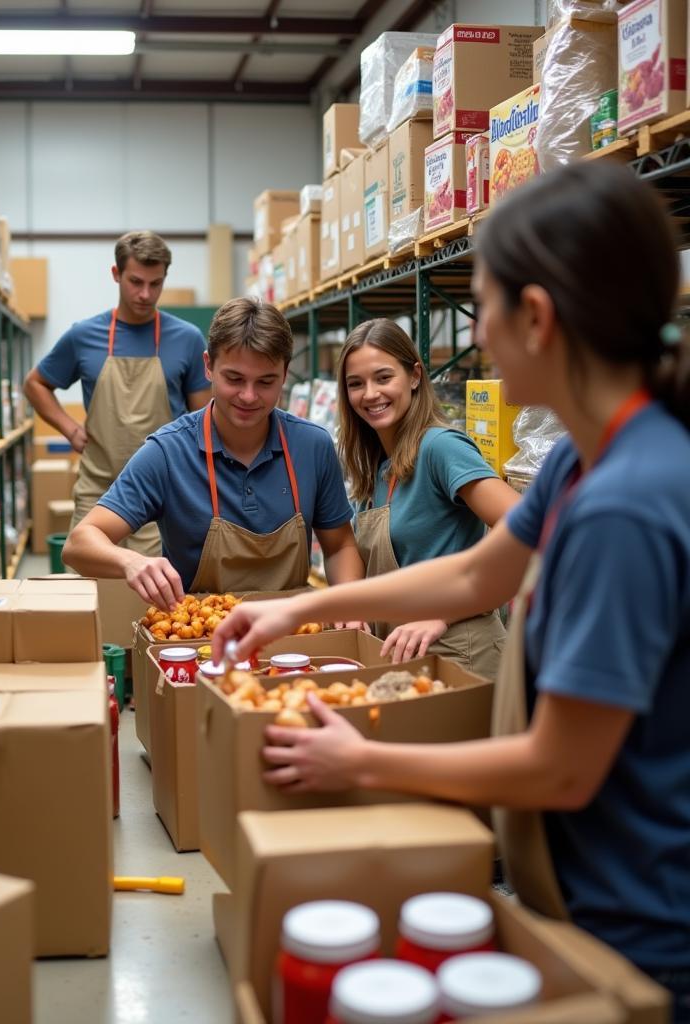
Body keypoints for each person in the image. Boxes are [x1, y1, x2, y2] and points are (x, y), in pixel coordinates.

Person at [212, 161, 690, 1016]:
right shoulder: (589, 459)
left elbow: (562, 769)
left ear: (536, 319)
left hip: (641, 923)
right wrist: (302, 605)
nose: (481, 337)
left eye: (485, 304)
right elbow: (479, 570)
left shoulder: (628, 504)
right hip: (580, 888)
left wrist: (361, 760)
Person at [63, 297, 366, 611]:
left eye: (265, 382)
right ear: (208, 366)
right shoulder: (168, 453)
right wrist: (130, 561)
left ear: (286, 374)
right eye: (234, 379)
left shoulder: (312, 446)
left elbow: (339, 545)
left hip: (292, 640)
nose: (248, 396)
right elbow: (79, 542)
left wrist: (352, 606)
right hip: (200, 643)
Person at [337, 318, 520, 677]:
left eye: (383, 377)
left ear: (415, 377)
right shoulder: (376, 468)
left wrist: (442, 612)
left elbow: (524, 524)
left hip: (462, 654)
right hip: (406, 658)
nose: (370, 393)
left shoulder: (440, 447)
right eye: (355, 384)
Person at [23, 231, 211, 555]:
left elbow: (203, 420)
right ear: (116, 274)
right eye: (136, 282)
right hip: (97, 492)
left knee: (156, 595)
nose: (145, 294)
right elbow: (34, 384)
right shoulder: (83, 336)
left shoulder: (188, 339)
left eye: (156, 284)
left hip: (163, 495)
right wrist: (70, 429)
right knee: (89, 591)